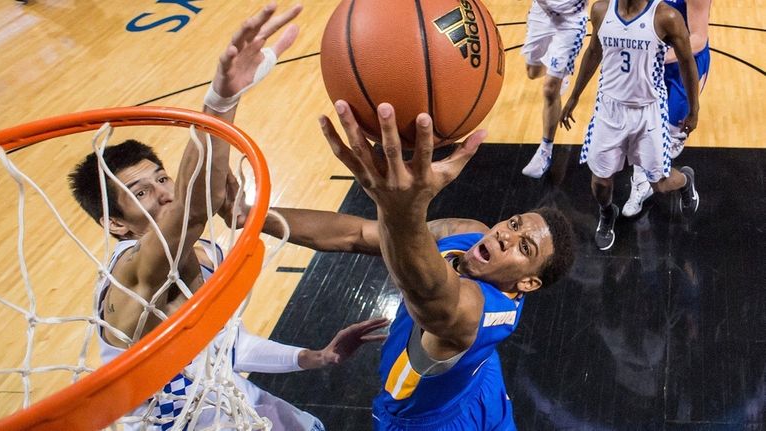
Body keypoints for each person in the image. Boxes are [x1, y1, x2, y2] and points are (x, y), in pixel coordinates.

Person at [68, 5, 388, 430]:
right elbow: (192, 207)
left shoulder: (201, 251)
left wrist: (310, 358)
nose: (164, 193)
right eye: (142, 192)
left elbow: (224, 347)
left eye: (163, 178)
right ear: (116, 223)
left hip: (242, 406)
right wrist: (221, 102)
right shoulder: (130, 273)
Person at [259, 100, 576, 430]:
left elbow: (425, 288)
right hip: (479, 384)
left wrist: (399, 208)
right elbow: (357, 234)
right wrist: (253, 216)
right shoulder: (469, 233)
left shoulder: (473, 315)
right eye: (513, 223)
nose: (504, 236)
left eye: (524, 247)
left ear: (528, 283)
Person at [560, 0, 700, 251]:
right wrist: (574, 96)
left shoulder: (666, 16)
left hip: (648, 112)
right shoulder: (601, 11)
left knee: (661, 183)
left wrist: (694, 109)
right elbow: (593, 51)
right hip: (609, 109)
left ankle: (686, 180)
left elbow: (687, 61)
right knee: (600, 182)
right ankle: (606, 212)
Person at [622, 0, 711, 217]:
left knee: (667, 141)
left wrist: (654, 57)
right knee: (640, 132)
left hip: (683, 65)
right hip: (652, 60)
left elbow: (698, 39)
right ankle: (641, 182)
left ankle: (683, 179)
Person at [520, 0, 589, 178]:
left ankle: (545, 151)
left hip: (570, 21)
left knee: (550, 89)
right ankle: (560, 71)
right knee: (532, 72)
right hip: (541, 14)